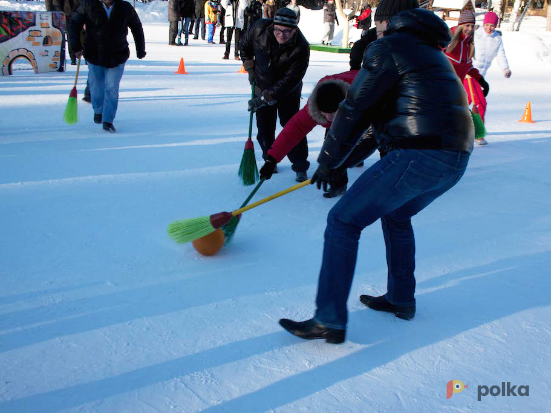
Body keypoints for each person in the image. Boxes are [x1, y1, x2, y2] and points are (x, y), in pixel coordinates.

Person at [278, 0, 473, 344]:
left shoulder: (388, 47)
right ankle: (401, 297)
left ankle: (328, 318)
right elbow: (376, 125)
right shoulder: (431, 55)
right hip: (455, 159)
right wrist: (336, 160)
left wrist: (327, 159)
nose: (373, 32)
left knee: (343, 221)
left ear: (386, 22)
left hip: (420, 154)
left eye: (377, 26)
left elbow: (355, 107)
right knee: (396, 216)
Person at [259, 70, 378, 197]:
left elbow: (371, 138)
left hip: (380, 94)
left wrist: (339, 163)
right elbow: (292, 131)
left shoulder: (365, 98)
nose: (328, 117)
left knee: (386, 146)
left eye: (332, 113)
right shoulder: (313, 107)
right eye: (324, 112)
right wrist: (272, 159)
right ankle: (338, 185)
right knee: (331, 146)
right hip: (349, 99)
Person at [240, 8, 311, 182]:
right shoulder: (259, 29)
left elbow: (290, 80)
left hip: (288, 93)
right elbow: (244, 45)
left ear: (295, 29)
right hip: (261, 85)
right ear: (272, 25)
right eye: (278, 30)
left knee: (292, 128)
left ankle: (300, 165)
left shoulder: (301, 47)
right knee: (264, 128)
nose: (282, 35)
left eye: (287, 31)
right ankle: (269, 158)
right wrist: (250, 68)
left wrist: (265, 98)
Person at [69, 0, 146, 133]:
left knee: (111, 87)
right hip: (95, 54)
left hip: (118, 55)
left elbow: (136, 27)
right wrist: (76, 47)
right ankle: (98, 110)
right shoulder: (89, 5)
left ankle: (108, 120)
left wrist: (140, 49)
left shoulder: (125, 7)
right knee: (96, 86)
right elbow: (74, 23)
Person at [444, 10, 489, 145]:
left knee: (458, 114)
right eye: (466, 25)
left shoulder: (468, 44)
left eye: (472, 26)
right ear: (460, 25)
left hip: (456, 88)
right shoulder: (449, 39)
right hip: (443, 86)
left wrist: (481, 80)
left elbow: (468, 67)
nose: (469, 29)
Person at [473, 12, 511, 78]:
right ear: (483, 24)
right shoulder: (476, 35)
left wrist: (505, 68)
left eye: (492, 25)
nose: (489, 28)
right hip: (469, 73)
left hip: (481, 75)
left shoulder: (497, 39)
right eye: (487, 25)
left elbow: (501, 55)